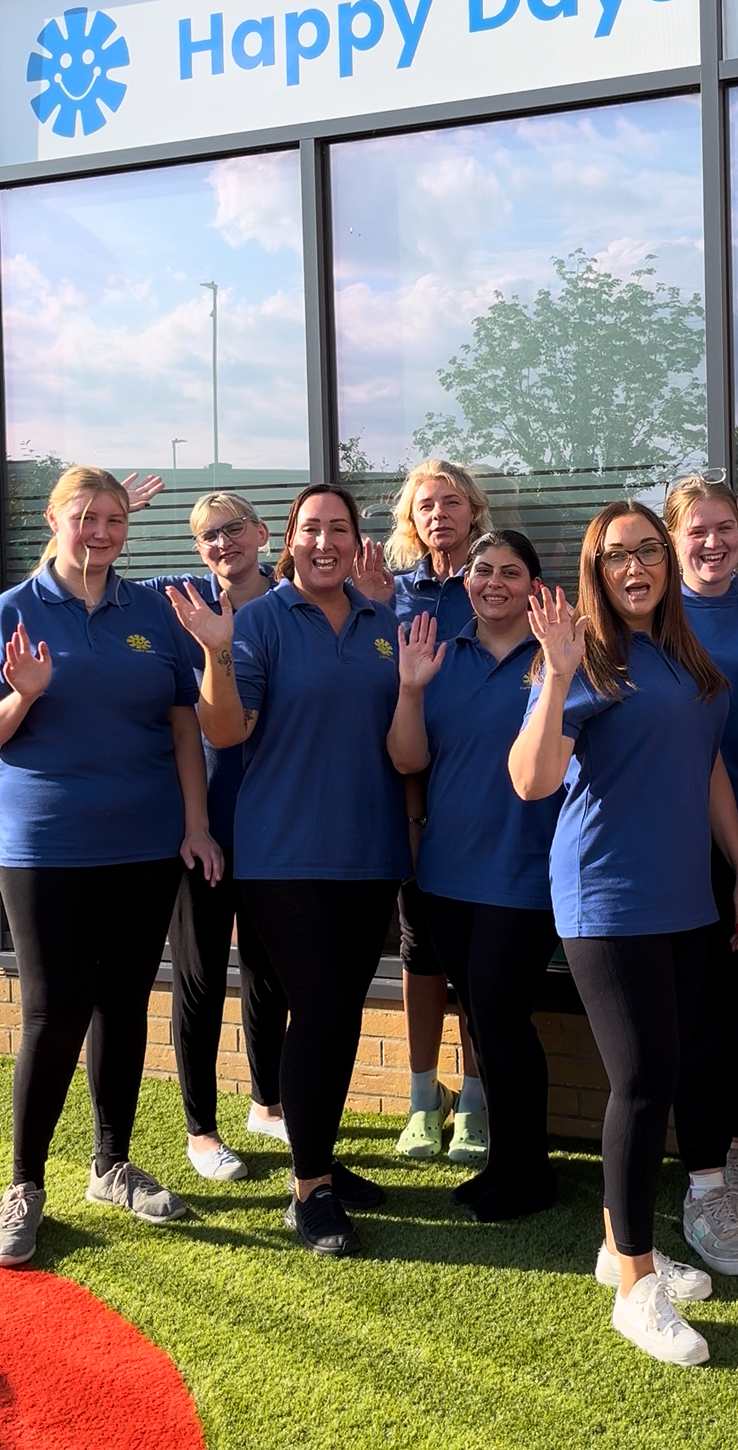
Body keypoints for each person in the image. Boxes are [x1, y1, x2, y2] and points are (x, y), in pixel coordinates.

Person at [509, 501, 738, 1368]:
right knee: (644, 1082)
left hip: (686, 897)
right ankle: (635, 1287)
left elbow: (708, 766)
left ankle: (619, 1244)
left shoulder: (686, 658)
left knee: (669, 1070)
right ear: (596, 569)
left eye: (649, 550)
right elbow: (533, 780)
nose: (635, 566)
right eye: (617, 555)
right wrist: (554, 675)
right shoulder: (582, 656)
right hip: (607, 898)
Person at [166, 484, 411, 1258]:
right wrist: (216, 651)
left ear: (356, 540)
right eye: (312, 529)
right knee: (325, 1007)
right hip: (283, 855)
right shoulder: (259, 622)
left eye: (339, 528)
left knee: (340, 1016)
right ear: (290, 540)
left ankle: (319, 1158)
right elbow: (225, 729)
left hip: (370, 851)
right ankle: (309, 1191)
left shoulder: (382, 622)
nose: (325, 542)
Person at [0, 467, 223, 1269]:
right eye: (86, 517)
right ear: (52, 520)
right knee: (53, 1010)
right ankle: (24, 1185)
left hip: (144, 843)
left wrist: (195, 825)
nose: (100, 532)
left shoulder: (151, 611)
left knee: (123, 1003)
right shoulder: (13, 610)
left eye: (115, 519)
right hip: (46, 844)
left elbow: (183, 726)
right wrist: (24, 696)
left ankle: (111, 1166)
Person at [387, 530, 563, 1221]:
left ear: (534, 585)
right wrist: (409, 690)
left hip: (524, 868)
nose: (494, 582)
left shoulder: (555, 657)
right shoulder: (440, 654)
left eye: (510, 572)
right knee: (482, 1019)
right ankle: (505, 1165)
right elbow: (409, 760)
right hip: (446, 872)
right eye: (483, 570)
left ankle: (530, 1172)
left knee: (500, 1016)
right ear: (466, 582)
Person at [144, 493, 289, 1181]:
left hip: (278, 827)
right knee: (201, 977)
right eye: (208, 535)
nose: (223, 543)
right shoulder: (178, 599)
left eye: (233, 529)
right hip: (203, 827)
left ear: (261, 533)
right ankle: (201, 1132)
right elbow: (81, 568)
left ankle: (268, 1103)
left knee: (269, 972)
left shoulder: (294, 603)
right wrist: (106, 507)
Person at [662, 473, 738, 1267]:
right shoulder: (654, 617)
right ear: (674, 538)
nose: (713, 543)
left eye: (725, 528)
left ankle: (732, 1151)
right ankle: (700, 1176)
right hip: (678, 845)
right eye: (697, 530)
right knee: (699, 1016)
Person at [386, 459, 490, 1166]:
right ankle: (424, 1099)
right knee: (422, 956)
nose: (439, 515)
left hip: (485, 794)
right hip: (411, 795)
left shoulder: (495, 584)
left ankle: (476, 1101)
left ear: (473, 511)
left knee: (482, 962)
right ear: (411, 519)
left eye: (451, 502)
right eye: (426, 505)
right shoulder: (392, 595)